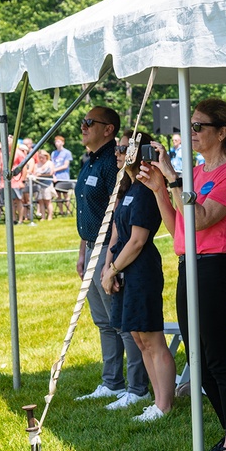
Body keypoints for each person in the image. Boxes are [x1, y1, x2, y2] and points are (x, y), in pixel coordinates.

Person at [139, 98, 226, 451]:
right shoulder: (201, 172)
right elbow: (179, 229)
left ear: (221, 132)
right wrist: (160, 189)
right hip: (190, 264)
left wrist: (173, 179)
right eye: (189, 126)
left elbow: (201, 218)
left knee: (218, 356)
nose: (191, 133)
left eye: (198, 127)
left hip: (217, 268)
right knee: (199, 360)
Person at [74, 106, 150, 410]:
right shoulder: (89, 161)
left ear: (108, 129)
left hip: (108, 248)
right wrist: (82, 251)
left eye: (89, 122)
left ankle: (136, 386)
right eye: (83, 121)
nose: (83, 126)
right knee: (103, 321)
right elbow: (87, 211)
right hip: (91, 247)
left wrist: (108, 259)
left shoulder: (111, 164)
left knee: (119, 320)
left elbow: (118, 213)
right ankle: (111, 382)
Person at [102, 130, 174, 422]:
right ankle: (157, 401)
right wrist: (109, 268)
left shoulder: (146, 190)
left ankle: (164, 405)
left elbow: (137, 240)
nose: (118, 153)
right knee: (138, 337)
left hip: (140, 269)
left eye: (124, 148)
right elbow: (117, 235)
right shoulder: (129, 188)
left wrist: (113, 270)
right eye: (118, 148)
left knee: (152, 338)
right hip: (124, 268)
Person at [32, 149, 55, 221]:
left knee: (48, 201)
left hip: (47, 184)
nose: (41, 159)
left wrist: (41, 175)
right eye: (40, 157)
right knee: (40, 201)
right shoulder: (36, 165)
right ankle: (43, 217)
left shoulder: (50, 163)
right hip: (39, 184)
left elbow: (51, 173)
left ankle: (50, 216)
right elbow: (34, 173)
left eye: (42, 157)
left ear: (46, 157)